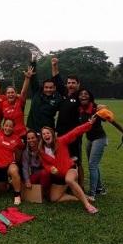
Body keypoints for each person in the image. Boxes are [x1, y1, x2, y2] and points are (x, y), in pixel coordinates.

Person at [38, 120, 99, 214]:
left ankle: (87, 205)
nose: (46, 135)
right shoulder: (42, 150)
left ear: (52, 134)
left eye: (48, 133)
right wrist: (50, 169)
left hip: (70, 169)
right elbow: (45, 164)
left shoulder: (61, 141)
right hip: (59, 177)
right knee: (54, 198)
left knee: (69, 180)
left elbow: (75, 131)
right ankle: (78, 197)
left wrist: (89, 124)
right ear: (42, 137)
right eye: (43, 134)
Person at [53, 57, 85, 187]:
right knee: (62, 159)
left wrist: (99, 107)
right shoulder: (65, 93)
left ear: (78, 84)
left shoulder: (81, 96)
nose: (70, 85)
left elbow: (91, 104)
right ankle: (66, 185)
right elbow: (56, 78)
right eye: (69, 83)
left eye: (73, 83)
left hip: (73, 136)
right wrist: (54, 65)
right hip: (60, 134)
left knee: (76, 161)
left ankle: (81, 186)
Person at [0, 96, 25, 205]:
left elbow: (22, 148)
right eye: (6, 126)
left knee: (14, 170)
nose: (8, 128)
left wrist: (17, 163)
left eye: (10, 126)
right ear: (3, 126)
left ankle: (17, 195)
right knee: (1, 190)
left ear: (13, 128)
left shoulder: (16, 138)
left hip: (9, 165)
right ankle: (10, 184)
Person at [26, 58, 63, 132]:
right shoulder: (37, 92)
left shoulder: (58, 98)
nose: (48, 89)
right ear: (43, 87)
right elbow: (34, 79)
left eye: (51, 88)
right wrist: (33, 63)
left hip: (48, 131)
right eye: (46, 87)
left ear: (54, 88)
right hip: (32, 130)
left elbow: (58, 82)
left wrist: (55, 66)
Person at [1, 65, 34, 139]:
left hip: (21, 134)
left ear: (16, 93)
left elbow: (24, 92)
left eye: (12, 92)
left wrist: (27, 78)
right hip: (8, 133)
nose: (10, 94)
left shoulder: (20, 102)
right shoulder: (3, 103)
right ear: (6, 94)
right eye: (8, 93)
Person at [21, 130, 51, 196]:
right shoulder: (26, 152)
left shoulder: (43, 148)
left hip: (46, 173)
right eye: (28, 139)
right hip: (35, 175)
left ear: (37, 138)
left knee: (44, 173)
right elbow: (25, 167)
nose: (31, 140)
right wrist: (27, 180)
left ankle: (43, 193)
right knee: (24, 182)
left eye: (33, 138)